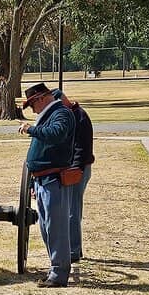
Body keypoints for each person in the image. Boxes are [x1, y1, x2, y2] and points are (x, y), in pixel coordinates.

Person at [18, 81, 75, 287]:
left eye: (32, 105)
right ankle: (55, 268)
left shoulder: (61, 114)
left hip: (54, 179)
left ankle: (59, 274)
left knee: (56, 227)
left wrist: (32, 130)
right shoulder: (49, 115)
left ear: (41, 99)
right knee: (46, 226)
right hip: (42, 179)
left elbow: (57, 134)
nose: (32, 110)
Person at [52, 88, 94, 269]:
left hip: (78, 169)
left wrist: (75, 170)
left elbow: (82, 148)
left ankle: (74, 251)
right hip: (69, 169)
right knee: (70, 209)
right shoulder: (69, 116)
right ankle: (74, 248)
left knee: (72, 211)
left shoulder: (79, 117)